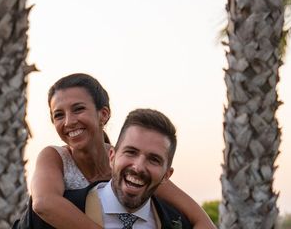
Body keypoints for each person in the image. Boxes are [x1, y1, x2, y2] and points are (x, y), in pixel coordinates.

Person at [27, 74, 215, 229]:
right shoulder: (54, 157)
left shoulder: (132, 166)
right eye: (58, 115)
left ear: (104, 114)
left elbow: (200, 219)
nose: (68, 121)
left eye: (78, 109)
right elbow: (43, 203)